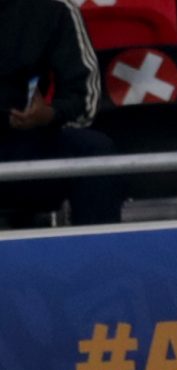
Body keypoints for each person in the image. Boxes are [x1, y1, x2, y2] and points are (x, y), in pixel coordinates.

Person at [0, 0, 119, 226]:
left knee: (94, 150)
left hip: (21, 145)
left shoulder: (55, 8)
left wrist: (49, 114)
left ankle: (100, 257)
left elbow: (85, 99)